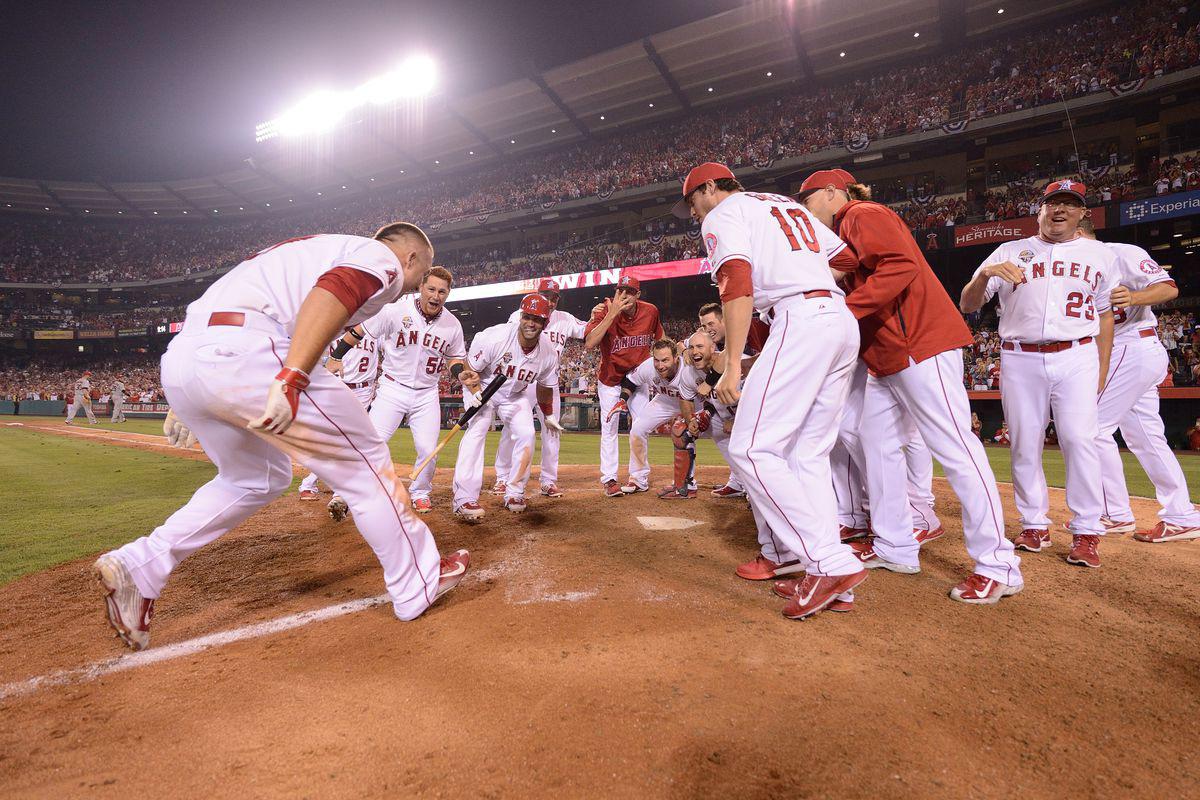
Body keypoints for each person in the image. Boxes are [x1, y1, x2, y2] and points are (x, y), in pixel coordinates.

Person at [93, 224, 470, 651]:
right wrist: (293, 375)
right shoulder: (380, 257)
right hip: (252, 352)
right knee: (366, 464)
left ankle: (141, 564)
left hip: (187, 356)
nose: (412, 289)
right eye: (418, 280)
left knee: (256, 478)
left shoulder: (305, 251)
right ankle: (418, 582)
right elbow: (335, 289)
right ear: (411, 259)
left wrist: (190, 394)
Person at [801, 167, 1021, 602]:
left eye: (807, 201)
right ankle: (896, 544)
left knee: (956, 447)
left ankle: (999, 564)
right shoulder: (843, 234)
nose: (806, 211)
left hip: (922, 344)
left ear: (831, 193)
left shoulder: (859, 213)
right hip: (888, 356)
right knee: (874, 445)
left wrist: (846, 309)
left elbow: (900, 265)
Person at [675, 160, 865, 620]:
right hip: (839, 321)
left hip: (799, 321)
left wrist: (734, 368)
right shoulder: (783, 205)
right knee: (807, 454)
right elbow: (845, 260)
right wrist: (803, 276)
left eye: (693, 202)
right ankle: (828, 577)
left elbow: (736, 285)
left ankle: (831, 563)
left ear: (710, 188)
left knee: (752, 449)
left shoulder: (724, 214)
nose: (696, 213)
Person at [960, 179, 1118, 568]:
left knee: (1080, 439)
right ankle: (1034, 524)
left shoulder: (1100, 254)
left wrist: (1101, 366)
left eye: (1069, 203)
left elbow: (1104, 314)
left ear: (1083, 213)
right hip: (1019, 357)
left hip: (1077, 354)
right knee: (1024, 442)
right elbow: (967, 304)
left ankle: (1086, 530)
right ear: (1040, 211)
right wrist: (983, 275)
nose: (1059, 210)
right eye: (1053, 203)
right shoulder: (1011, 250)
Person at [1077, 220, 1200, 544]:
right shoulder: (1075, 268)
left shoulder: (1121, 253)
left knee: (1091, 429)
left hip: (1129, 345)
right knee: (1146, 437)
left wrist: (1134, 297)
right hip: (1127, 352)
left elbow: (1168, 288)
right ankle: (1181, 515)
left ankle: (1114, 513)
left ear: (1079, 232)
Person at [344, 266, 465, 514]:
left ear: (448, 294)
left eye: (442, 291)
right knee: (373, 442)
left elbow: (455, 358)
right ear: (420, 287)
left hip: (426, 393)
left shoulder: (452, 325)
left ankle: (420, 492)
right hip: (392, 388)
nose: (436, 295)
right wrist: (335, 356)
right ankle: (349, 493)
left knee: (428, 449)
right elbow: (358, 332)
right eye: (431, 289)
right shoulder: (395, 311)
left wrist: (458, 372)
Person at [452, 293, 564, 521]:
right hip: (481, 387)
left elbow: (544, 386)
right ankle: (464, 497)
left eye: (538, 319)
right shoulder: (496, 337)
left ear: (545, 323)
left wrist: (549, 414)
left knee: (527, 433)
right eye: (528, 317)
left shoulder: (548, 352)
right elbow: (469, 368)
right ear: (521, 316)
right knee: (479, 427)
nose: (531, 323)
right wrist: (474, 393)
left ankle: (514, 491)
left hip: (514, 394)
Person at [492, 278, 587, 499]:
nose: (550, 301)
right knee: (512, 429)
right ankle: (502, 477)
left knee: (551, 430)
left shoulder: (565, 319)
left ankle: (548, 480)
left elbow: (587, 331)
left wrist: (603, 314)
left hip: (549, 380)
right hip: (524, 380)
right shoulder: (519, 315)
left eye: (554, 297)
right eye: (546, 295)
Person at [584, 276, 663, 498]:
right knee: (609, 427)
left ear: (638, 295)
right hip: (610, 379)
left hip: (638, 379)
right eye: (621, 290)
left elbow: (661, 339)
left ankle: (639, 478)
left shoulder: (650, 311)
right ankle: (609, 479)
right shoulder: (604, 310)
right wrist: (612, 313)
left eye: (630, 291)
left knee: (640, 426)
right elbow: (590, 342)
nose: (625, 295)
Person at [297, 328, 381, 519]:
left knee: (350, 441)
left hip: (364, 390)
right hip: (336, 386)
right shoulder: (337, 325)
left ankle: (325, 487)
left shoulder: (375, 326)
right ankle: (313, 484)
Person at [605, 338, 701, 497]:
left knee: (691, 433)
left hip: (694, 402)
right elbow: (630, 381)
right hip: (665, 400)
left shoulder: (689, 369)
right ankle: (638, 479)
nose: (660, 365)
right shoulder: (649, 367)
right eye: (657, 360)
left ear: (676, 358)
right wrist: (622, 400)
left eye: (665, 360)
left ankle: (736, 481)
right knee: (637, 428)